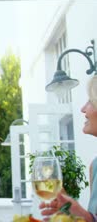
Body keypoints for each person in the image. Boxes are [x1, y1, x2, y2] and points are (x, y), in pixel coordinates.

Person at [40, 76, 97, 221]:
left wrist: (85, 217)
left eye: (90, 101)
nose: (83, 109)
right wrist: (70, 215)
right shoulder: (95, 166)